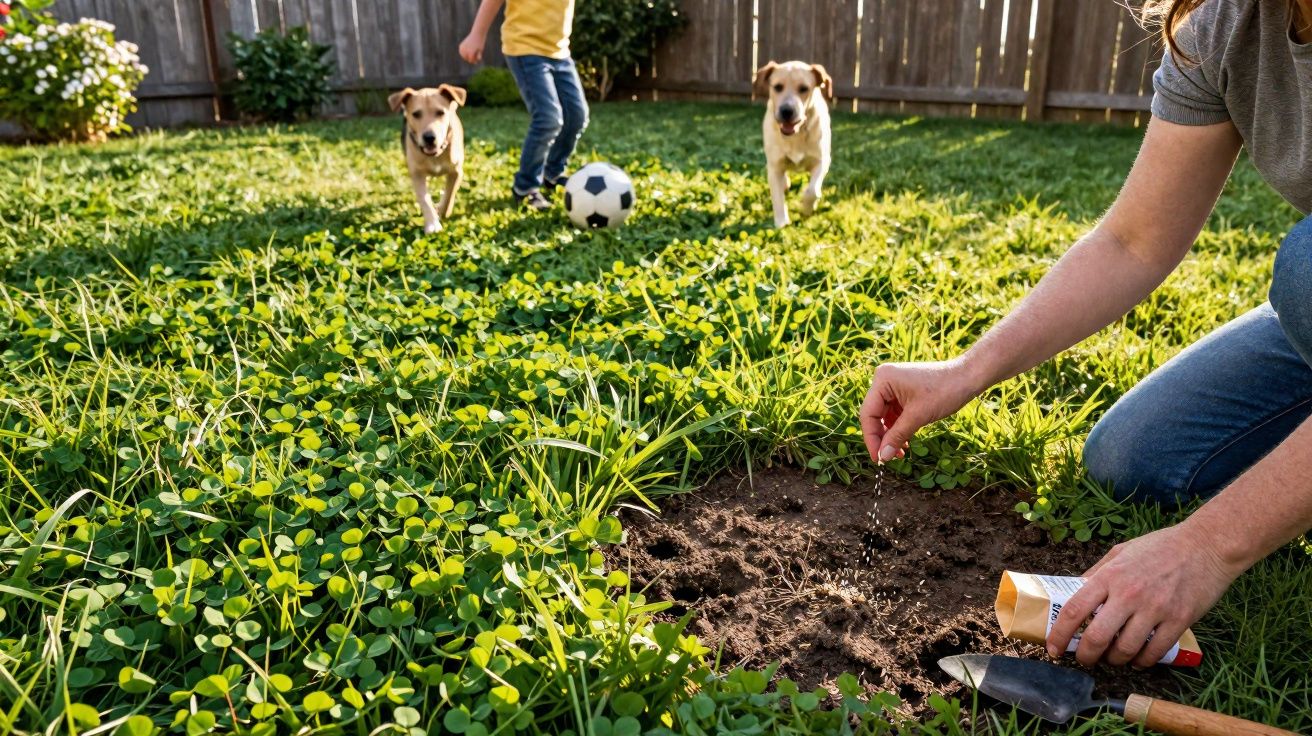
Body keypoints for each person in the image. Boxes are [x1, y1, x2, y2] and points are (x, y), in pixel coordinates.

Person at [861, 0, 1312, 669]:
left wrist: (1206, 546)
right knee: (1133, 456)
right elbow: (1133, 242)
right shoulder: (1230, 26)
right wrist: (966, 369)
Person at [460, 0, 588, 211]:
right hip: (525, 48)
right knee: (548, 119)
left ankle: (552, 173)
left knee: (576, 117)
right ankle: (525, 187)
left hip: (560, 51)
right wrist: (477, 35)